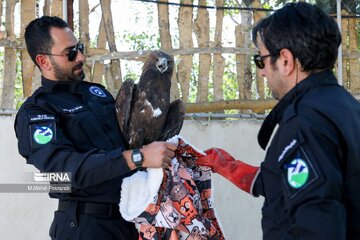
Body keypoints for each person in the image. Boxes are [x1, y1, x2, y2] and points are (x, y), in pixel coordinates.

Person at [196, 2, 360, 239]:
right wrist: (232, 168)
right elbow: (306, 182)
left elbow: (317, 222)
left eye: (261, 60)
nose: (262, 72)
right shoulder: (345, 107)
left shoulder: (305, 121)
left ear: (285, 60)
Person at [14, 16, 176, 240]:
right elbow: (63, 172)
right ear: (44, 61)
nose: (80, 56)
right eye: (70, 53)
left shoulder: (96, 93)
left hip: (128, 221)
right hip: (85, 227)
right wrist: (138, 158)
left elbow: (128, 142)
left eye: (79, 48)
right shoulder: (38, 112)